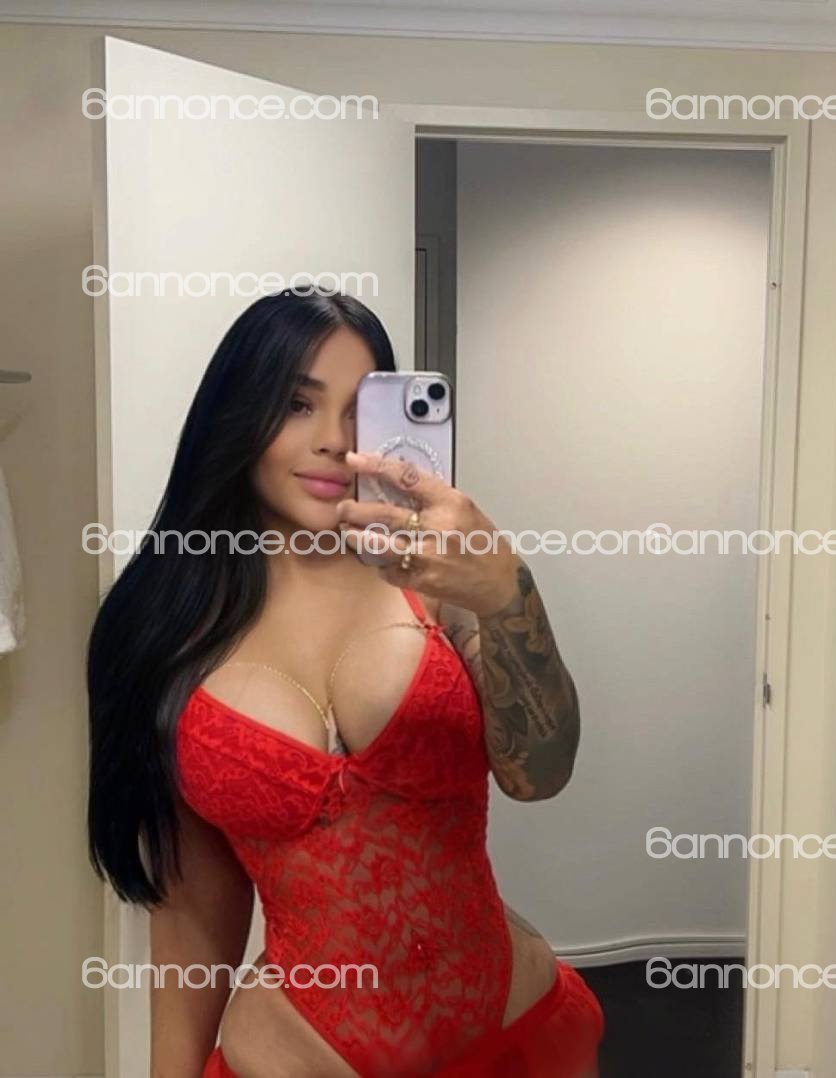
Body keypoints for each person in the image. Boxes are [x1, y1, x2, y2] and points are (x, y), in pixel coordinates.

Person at [87, 289, 605, 1076]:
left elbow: (541, 773)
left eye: (362, 410)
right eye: (297, 404)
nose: (333, 439)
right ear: (236, 416)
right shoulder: (167, 638)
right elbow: (193, 918)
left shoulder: (437, 583)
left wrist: (508, 595)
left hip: (517, 1043)